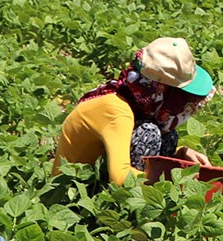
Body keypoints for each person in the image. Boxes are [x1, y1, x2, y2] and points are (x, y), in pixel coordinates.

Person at [55, 37, 214, 187]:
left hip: (98, 177)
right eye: (183, 98)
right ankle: (133, 210)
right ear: (162, 91)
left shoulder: (134, 99)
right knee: (149, 133)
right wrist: (174, 182)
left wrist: (180, 155)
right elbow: (120, 177)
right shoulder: (116, 111)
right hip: (73, 188)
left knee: (168, 137)